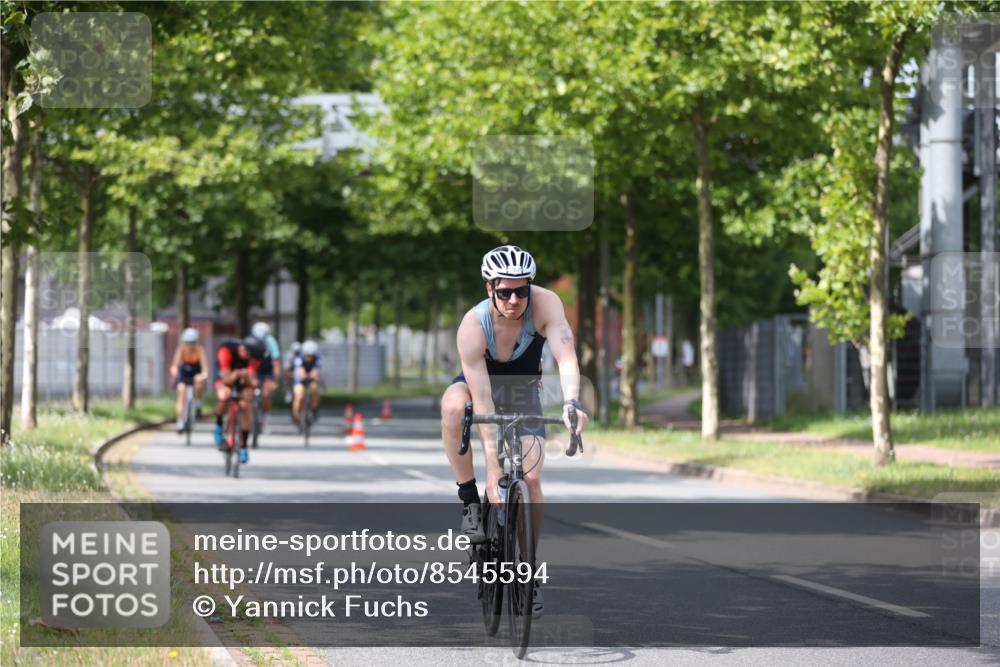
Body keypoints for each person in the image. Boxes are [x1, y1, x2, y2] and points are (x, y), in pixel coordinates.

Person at [439, 245, 588, 614]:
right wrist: (492, 471)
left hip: (524, 390)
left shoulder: (546, 304)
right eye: (505, 292)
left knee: (532, 480)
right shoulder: (473, 326)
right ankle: (470, 502)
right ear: (490, 288)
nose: (514, 300)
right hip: (481, 385)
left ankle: (528, 566)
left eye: (522, 290)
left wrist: (572, 402)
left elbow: (566, 356)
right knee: (454, 407)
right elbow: (484, 401)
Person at [213, 336, 265, 463]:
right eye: (251, 358)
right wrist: (236, 374)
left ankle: (243, 446)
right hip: (225, 376)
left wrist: (249, 380)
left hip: (243, 381)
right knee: (224, 395)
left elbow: (253, 380)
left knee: (246, 404)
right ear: (245, 352)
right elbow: (226, 379)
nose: (252, 361)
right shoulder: (226, 351)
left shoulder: (255, 357)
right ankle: (218, 427)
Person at [169, 327, 208, 432]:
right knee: (181, 393)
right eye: (188, 343)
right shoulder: (181, 349)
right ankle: (180, 422)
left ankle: (198, 403)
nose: (190, 345)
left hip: (196, 373)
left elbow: (204, 368)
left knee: (199, 384)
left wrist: (203, 375)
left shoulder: (200, 350)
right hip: (184, 373)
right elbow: (175, 365)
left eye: (192, 343)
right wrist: (174, 372)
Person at [251, 321, 282, 432]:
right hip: (253, 369)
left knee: (266, 393)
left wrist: (276, 379)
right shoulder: (250, 341)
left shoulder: (271, 342)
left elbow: (276, 361)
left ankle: (266, 416)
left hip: (267, 369)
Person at [292, 339, 321, 430]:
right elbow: (300, 371)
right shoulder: (299, 358)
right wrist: (304, 375)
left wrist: (314, 375)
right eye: (308, 355)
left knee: (315, 388)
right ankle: (296, 417)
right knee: (299, 395)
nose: (310, 357)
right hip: (300, 379)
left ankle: (314, 408)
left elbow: (316, 370)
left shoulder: (317, 359)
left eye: (312, 356)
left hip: (311, 377)